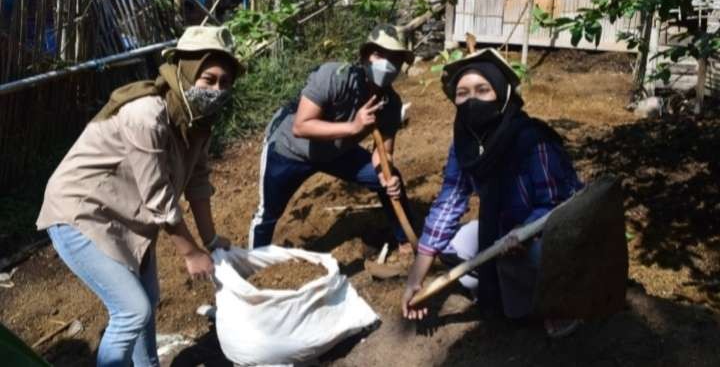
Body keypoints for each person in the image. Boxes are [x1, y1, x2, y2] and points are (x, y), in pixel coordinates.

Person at [36, 26, 241, 366]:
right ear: (186, 71)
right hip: (80, 213)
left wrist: (212, 238)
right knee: (132, 311)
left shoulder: (197, 121)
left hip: (125, 216)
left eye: (225, 82)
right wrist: (190, 251)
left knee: (148, 299)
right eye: (209, 79)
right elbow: (158, 197)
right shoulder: (147, 113)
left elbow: (198, 182)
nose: (217, 90)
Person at [400, 49, 584, 338]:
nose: (471, 99)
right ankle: (501, 279)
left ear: (501, 92)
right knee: (450, 245)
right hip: (503, 231)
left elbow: (557, 205)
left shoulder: (531, 139)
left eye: (482, 90)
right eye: (462, 93)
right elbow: (449, 201)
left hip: (549, 232)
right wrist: (416, 275)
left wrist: (524, 231)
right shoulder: (465, 146)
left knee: (531, 255)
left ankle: (561, 304)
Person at [248, 24, 416, 253]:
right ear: (365, 56)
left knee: (389, 178)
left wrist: (386, 177)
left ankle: (406, 240)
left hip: (337, 152)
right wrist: (354, 126)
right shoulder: (334, 77)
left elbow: (384, 153)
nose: (387, 64)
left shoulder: (390, 104)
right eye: (379, 54)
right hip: (290, 149)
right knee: (268, 213)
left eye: (395, 58)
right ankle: (254, 264)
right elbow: (301, 126)